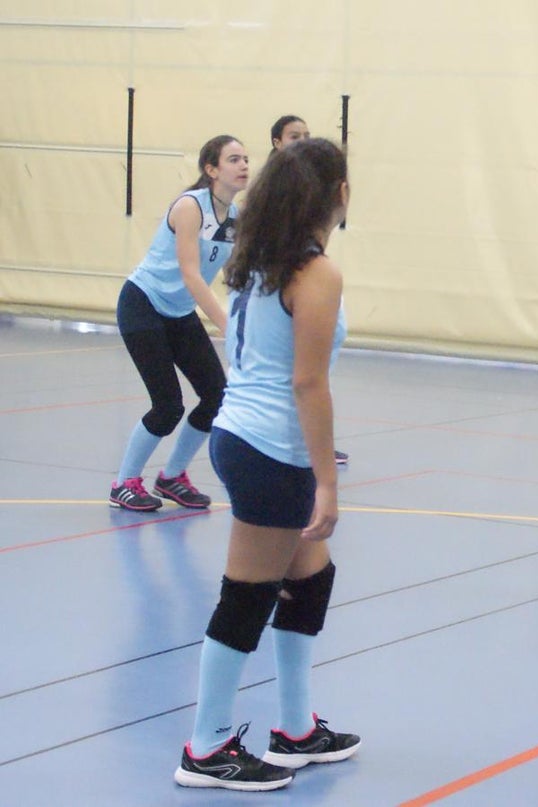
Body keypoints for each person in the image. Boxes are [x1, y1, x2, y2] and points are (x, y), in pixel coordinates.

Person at [174, 138, 360, 791]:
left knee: (309, 579)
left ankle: (295, 729)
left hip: (247, 439)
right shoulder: (315, 273)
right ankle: (206, 747)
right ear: (338, 195)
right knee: (248, 596)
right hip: (268, 450)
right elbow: (308, 383)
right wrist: (326, 481)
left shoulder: (261, 261)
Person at [109, 135, 248, 511]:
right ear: (211, 169)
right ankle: (123, 483)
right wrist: (226, 326)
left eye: (245, 159)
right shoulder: (190, 207)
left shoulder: (235, 218)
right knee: (168, 405)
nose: (243, 165)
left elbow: (234, 274)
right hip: (143, 305)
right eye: (234, 159)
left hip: (179, 312)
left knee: (216, 396)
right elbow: (191, 274)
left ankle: (171, 477)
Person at [269, 114, 349, 465]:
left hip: (246, 433)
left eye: (306, 135)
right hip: (267, 438)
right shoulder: (301, 265)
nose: (301, 141)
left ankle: (310, 434)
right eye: (293, 136)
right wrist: (325, 479)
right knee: (302, 370)